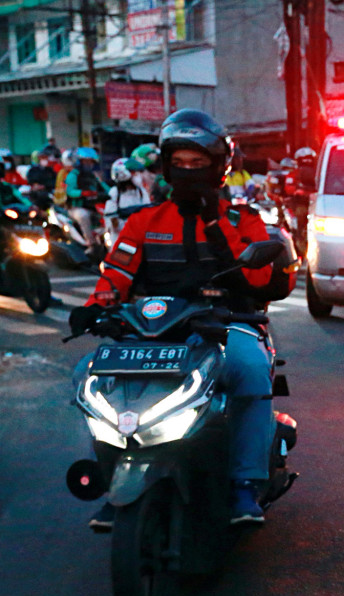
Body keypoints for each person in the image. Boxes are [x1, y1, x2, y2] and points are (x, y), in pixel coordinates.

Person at [69, 109, 279, 527]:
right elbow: (116, 275)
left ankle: (244, 485)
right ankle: (116, 476)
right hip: (154, 330)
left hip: (226, 324)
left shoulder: (244, 219)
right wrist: (96, 307)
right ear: (166, 166)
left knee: (252, 370)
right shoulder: (144, 221)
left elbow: (260, 277)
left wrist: (215, 224)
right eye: (179, 163)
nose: (187, 171)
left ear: (218, 168)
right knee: (86, 375)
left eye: (197, 164)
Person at [65, 147, 110, 251]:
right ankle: (91, 243)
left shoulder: (94, 175)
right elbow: (70, 191)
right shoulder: (73, 174)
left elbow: (105, 188)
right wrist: (83, 193)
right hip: (77, 207)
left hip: (95, 207)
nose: (88, 164)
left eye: (90, 162)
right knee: (83, 216)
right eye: (86, 161)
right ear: (79, 162)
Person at [103, 157, 151, 241]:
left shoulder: (142, 192)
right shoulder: (115, 193)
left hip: (140, 235)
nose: (138, 175)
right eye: (134, 172)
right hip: (120, 237)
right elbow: (111, 218)